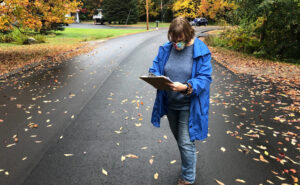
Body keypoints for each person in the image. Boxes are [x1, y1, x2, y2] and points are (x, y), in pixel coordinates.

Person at [148, 16, 213, 185]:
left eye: (180, 39)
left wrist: (185, 87)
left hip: (189, 105)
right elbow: (155, 67)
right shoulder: (166, 49)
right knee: (181, 140)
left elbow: (205, 78)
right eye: (174, 39)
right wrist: (154, 76)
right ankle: (188, 160)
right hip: (170, 104)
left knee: (185, 142)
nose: (177, 43)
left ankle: (188, 179)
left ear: (188, 33)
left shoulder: (201, 51)